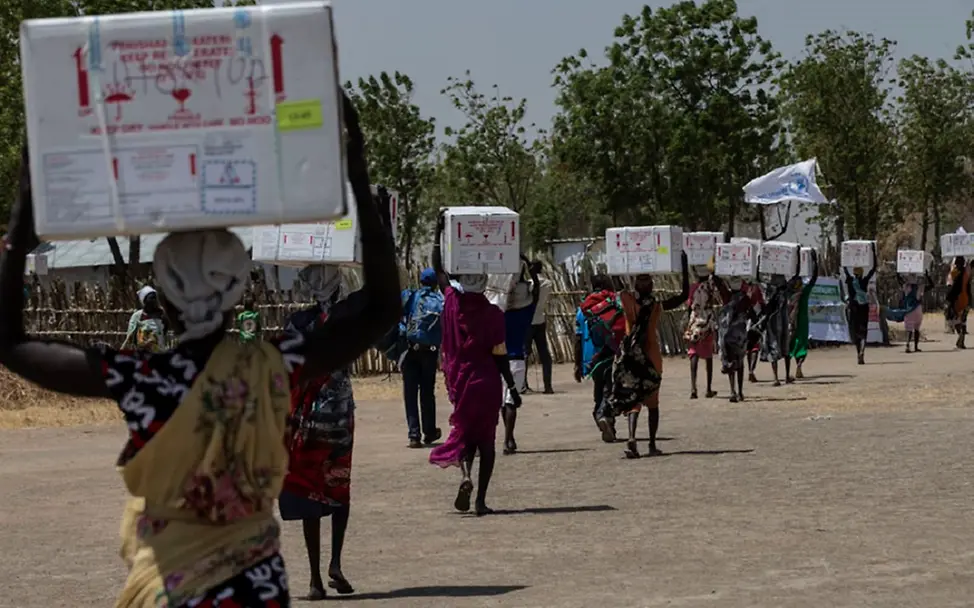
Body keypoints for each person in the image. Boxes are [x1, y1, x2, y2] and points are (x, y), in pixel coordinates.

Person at [0, 98, 400, 607]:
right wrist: (356, 178)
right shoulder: (273, 368)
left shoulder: (142, 379)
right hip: (254, 592)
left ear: (161, 301)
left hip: (168, 591)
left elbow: (11, 344)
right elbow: (384, 307)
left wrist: (22, 217)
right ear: (239, 295)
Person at [428, 212, 520, 516]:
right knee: (487, 442)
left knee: (465, 435)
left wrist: (438, 232)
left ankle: (465, 476)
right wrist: (512, 387)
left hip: (463, 380)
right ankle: (480, 500)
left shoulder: (453, 301)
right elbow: (500, 355)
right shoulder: (494, 313)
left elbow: (439, 269)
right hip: (489, 382)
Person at [279, 265, 361, 600]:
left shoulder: (296, 324)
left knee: (310, 490)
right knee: (339, 486)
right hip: (339, 413)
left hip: (307, 418)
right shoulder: (349, 322)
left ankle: (314, 579)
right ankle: (335, 564)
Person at [607, 253, 690, 459]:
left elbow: (616, 281)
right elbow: (683, 296)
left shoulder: (627, 300)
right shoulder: (655, 306)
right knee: (652, 401)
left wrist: (616, 258)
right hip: (651, 357)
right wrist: (684, 267)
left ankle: (632, 437)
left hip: (629, 357)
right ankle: (652, 444)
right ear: (651, 286)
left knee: (632, 397)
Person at [576, 274, 627, 442]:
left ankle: (604, 419)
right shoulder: (614, 301)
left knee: (599, 386)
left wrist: (577, 364)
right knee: (609, 387)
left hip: (591, 354)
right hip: (611, 349)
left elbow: (578, 337)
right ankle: (603, 415)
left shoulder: (584, 307)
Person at [400, 268, 444, 448]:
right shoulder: (439, 300)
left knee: (410, 394)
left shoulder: (410, 296)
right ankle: (430, 432)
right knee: (427, 393)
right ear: (435, 283)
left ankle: (413, 435)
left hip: (410, 350)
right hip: (430, 352)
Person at [501, 260, 540, 454]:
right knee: (510, 401)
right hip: (516, 360)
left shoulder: (498, 313)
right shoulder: (526, 312)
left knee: (504, 401)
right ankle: (509, 439)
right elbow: (536, 293)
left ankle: (509, 437)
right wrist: (533, 275)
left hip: (498, 359)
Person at [684, 261, 729, 399]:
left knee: (693, 354)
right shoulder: (711, 287)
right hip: (707, 323)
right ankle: (708, 388)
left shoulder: (692, 287)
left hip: (694, 322)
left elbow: (689, 304)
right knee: (708, 355)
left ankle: (693, 388)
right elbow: (718, 301)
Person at [759, 257, 803, 385]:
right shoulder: (777, 290)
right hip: (779, 322)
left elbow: (757, 278)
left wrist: (758, 262)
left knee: (780, 349)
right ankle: (780, 377)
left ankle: (778, 377)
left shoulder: (770, 288)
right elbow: (795, 275)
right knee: (783, 349)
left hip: (776, 323)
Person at [718, 277, 760, 402]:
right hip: (741, 336)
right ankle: (740, 392)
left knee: (731, 363)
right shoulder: (745, 299)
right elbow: (753, 315)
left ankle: (732, 391)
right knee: (739, 363)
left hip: (728, 336)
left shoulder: (727, 297)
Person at [842, 244, 878, 364]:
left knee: (855, 330)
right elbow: (873, 268)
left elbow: (844, 268)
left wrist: (845, 253)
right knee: (863, 330)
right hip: (863, 307)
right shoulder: (864, 281)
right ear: (862, 274)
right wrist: (873, 251)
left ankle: (858, 353)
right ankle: (862, 351)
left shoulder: (850, 281)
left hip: (853, 307)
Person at [788, 250, 819, 378]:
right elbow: (813, 279)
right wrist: (815, 262)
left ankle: (786, 372)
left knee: (790, 345)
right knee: (801, 345)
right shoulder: (804, 293)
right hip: (802, 322)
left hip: (790, 322)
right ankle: (799, 366)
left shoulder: (788, 293)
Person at [525, 260, 554, 394]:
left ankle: (523, 384)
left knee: (525, 353)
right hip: (540, 319)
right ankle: (548, 385)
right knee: (544, 354)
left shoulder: (528, 285)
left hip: (528, 321)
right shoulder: (548, 283)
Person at [887, 270, 933, 353]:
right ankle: (916, 347)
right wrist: (927, 276)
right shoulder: (920, 287)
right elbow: (932, 285)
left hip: (909, 310)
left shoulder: (906, 286)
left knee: (909, 329)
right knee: (917, 329)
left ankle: (907, 345)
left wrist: (898, 273)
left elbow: (899, 281)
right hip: (918, 310)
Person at [122, 285, 168, 351]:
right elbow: (131, 336)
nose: (154, 300)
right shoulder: (137, 316)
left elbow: (166, 327)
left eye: (155, 298)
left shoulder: (161, 314)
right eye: (151, 298)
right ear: (145, 301)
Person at [946, 256, 972, 349]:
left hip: (956, 300)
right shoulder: (967, 273)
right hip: (966, 299)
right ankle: (962, 340)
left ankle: (960, 335)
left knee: (955, 320)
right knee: (963, 320)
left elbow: (950, 286)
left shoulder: (953, 273)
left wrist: (948, 299)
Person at [743, 279, 765, 383]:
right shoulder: (756, 288)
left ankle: (750, 370)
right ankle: (751, 371)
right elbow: (761, 303)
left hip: (745, 321)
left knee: (749, 348)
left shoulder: (743, 287)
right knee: (755, 347)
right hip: (754, 320)